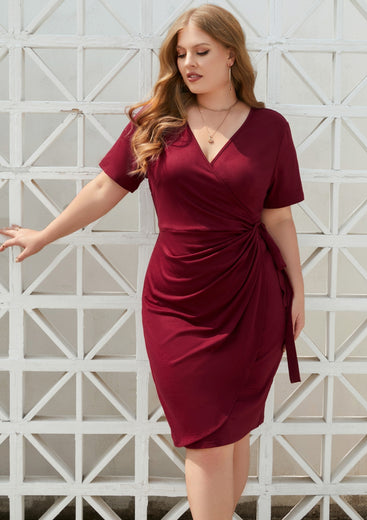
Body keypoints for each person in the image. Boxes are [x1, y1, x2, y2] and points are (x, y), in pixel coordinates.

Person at [0, 4, 304, 520]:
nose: (189, 63)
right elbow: (105, 189)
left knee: (232, 431)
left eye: (202, 52)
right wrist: (46, 235)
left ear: (232, 55)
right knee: (205, 436)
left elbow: (278, 218)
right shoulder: (156, 123)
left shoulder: (270, 128)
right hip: (176, 301)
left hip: (250, 296)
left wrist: (297, 291)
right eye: (181, 54)